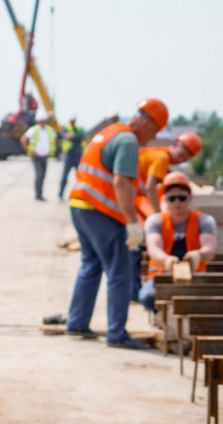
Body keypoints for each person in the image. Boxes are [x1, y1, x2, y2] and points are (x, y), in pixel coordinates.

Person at [64, 98, 168, 349]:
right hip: (101, 212)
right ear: (145, 122)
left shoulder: (110, 132)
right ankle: (117, 334)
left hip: (80, 206)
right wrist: (133, 223)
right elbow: (121, 182)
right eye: (153, 132)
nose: (151, 139)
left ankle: (77, 322)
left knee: (91, 264)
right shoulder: (128, 140)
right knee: (119, 272)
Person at [129, 132, 203, 300]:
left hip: (134, 200)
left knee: (136, 244)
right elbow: (150, 187)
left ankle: (133, 290)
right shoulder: (162, 158)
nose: (181, 159)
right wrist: (158, 215)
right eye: (182, 154)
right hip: (135, 201)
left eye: (186, 158)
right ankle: (133, 291)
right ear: (176, 143)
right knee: (136, 245)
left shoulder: (158, 154)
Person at [138, 171, 218, 312]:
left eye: (182, 197)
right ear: (165, 198)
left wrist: (199, 255)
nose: (177, 202)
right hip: (162, 275)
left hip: (196, 276)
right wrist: (167, 260)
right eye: (172, 198)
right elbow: (154, 248)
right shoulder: (156, 221)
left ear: (189, 198)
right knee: (148, 298)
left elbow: (209, 247)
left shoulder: (203, 220)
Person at [20, 112, 56, 201]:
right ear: (38, 121)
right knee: (39, 174)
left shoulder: (50, 130)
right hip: (36, 156)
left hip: (45, 156)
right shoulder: (33, 130)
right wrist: (29, 151)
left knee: (43, 175)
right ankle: (38, 195)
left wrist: (51, 151)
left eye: (43, 121)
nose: (42, 122)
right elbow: (23, 140)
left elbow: (54, 140)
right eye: (41, 121)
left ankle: (40, 194)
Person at [58, 114, 86, 201]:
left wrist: (73, 136)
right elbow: (64, 135)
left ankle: (80, 195)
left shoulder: (80, 128)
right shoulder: (65, 128)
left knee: (80, 177)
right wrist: (75, 136)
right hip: (69, 155)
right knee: (64, 176)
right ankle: (60, 194)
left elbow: (82, 136)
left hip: (78, 155)